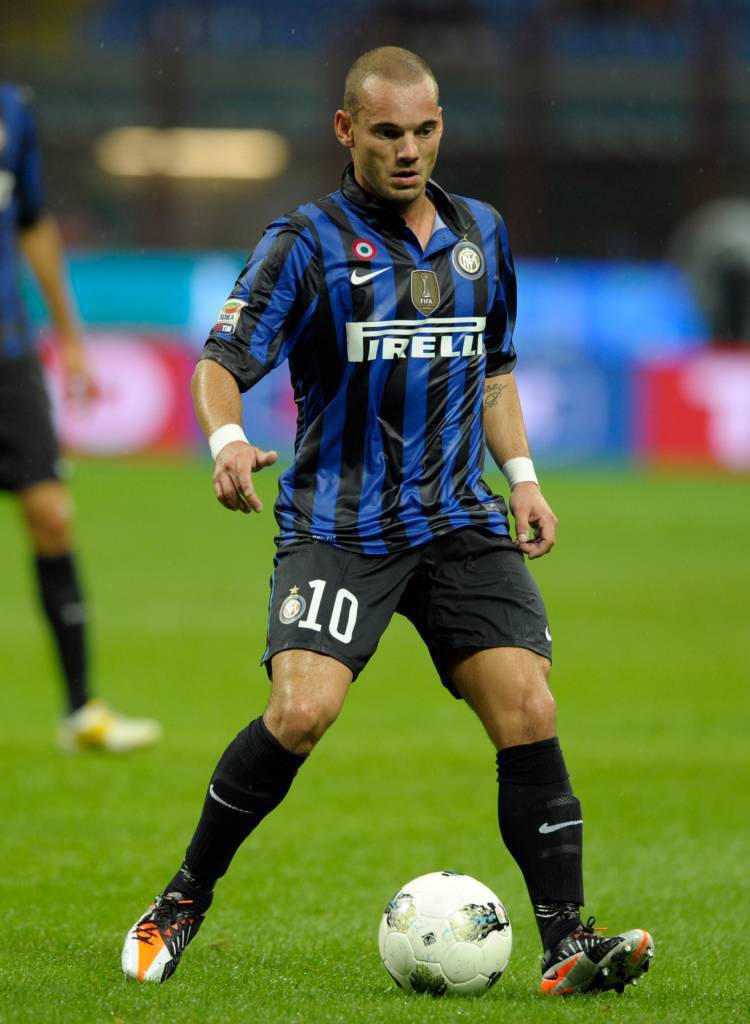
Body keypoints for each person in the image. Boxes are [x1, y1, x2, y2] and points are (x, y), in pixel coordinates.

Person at [121, 47, 653, 994]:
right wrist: (227, 440)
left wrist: (523, 478)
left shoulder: (480, 233)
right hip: (341, 524)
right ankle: (182, 899)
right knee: (301, 712)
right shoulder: (304, 242)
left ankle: (567, 942)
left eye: (425, 130)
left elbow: (494, 368)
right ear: (347, 130)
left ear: (441, 126)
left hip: (457, 519)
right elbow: (220, 360)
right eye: (387, 132)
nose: (409, 150)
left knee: (529, 707)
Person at [0, 82, 161, 753]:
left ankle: (80, 710)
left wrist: (69, 336)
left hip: (8, 353)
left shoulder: (13, 111)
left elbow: (32, 222)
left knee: (52, 515)